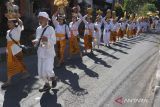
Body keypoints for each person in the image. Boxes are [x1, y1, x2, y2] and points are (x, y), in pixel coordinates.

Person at [1, 17, 30, 89]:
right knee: (9, 65)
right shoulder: (8, 31)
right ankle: (8, 81)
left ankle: (26, 73)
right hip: (9, 50)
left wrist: (17, 18)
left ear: (14, 23)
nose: (8, 23)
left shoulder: (17, 29)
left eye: (10, 22)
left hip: (16, 50)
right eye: (8, 22)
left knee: (20, 63)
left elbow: (21, 23)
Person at [32, 12, 57, 92]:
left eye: (42, 18)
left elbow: (54, 41)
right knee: (41, 72)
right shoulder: (38, 29)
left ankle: (53, 77)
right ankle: (47, 85)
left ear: (46, 19)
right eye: (39, 18)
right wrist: (35, 42)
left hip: (49, 53)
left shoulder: (50, 29)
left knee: (48, 70)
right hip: (41, 52)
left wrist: (47, 40)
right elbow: (38, 39)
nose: (40, 19)